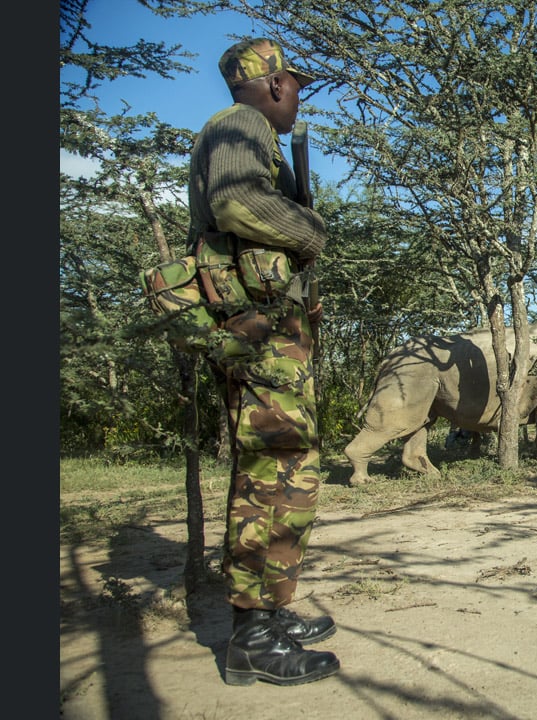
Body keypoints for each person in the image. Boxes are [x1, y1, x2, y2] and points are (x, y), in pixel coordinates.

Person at [188, 37, 338, 686]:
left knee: (290, 471)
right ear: (275, 85)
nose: (295, 98)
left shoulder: (255, 135)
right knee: (270, 473)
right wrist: (310, 231)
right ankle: (251, 634)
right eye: (295, 86)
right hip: (257, 338)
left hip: (274, 336)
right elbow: (234, 202)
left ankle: (272, 612)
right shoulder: (240, 125)